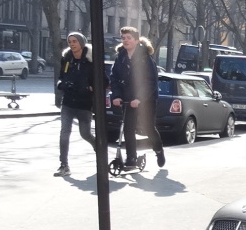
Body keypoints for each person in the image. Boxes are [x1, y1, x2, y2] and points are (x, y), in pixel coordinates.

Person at [109, 26, 165, 170]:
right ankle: (131, 158)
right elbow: (114, 78)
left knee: (148, 127)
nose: (125, 41)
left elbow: (150, 81)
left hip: (147, 99)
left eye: (129, 38)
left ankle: (159, 151)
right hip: (128, 98)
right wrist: (116, 96)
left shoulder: (145, 58)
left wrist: (140, 98)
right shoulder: (120, 57)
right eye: (123, 38)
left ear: (136, 40)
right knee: (128, 128)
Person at [54, 31, 98, 177]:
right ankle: (64, 165)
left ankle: (98, 147)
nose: (72, 44)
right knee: (64, 133)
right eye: (70, 41)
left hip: (84, 103)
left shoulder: (91, 60)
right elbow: (61, 76)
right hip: (68, 102)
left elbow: (103, 81)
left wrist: (89, 88)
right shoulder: (67, 59)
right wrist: (61, 84)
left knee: (85, 134)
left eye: (74, 41)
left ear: (81, 43)